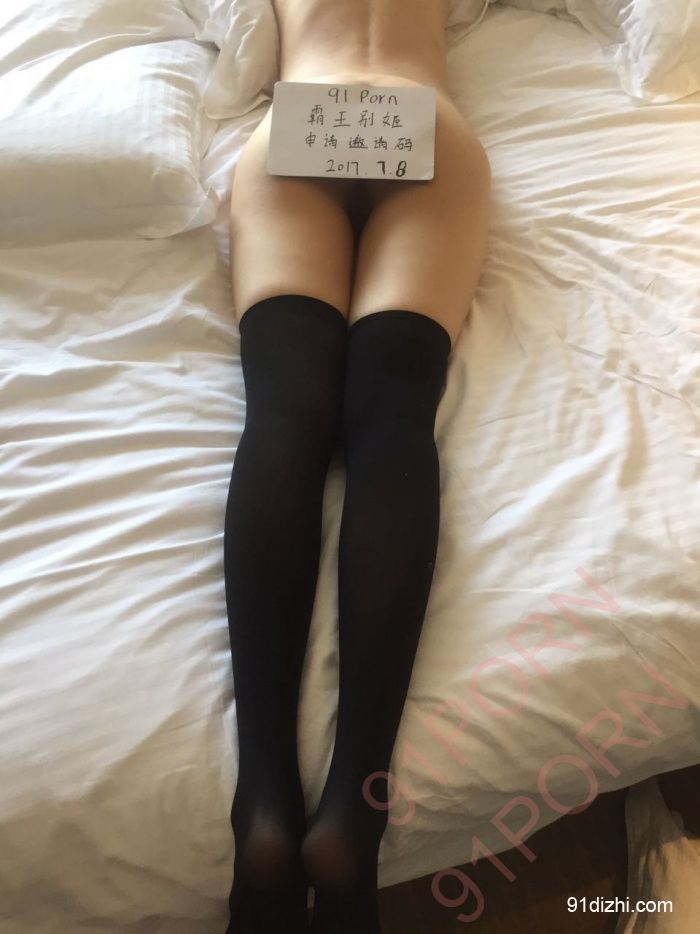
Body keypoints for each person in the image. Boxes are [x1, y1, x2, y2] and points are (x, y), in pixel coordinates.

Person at [222, 1, 491, 931]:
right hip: (422, 124)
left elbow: (230, 46)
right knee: (393, 418)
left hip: (304, 118)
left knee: (284, 416)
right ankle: (355, 812)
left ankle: (265, 803)